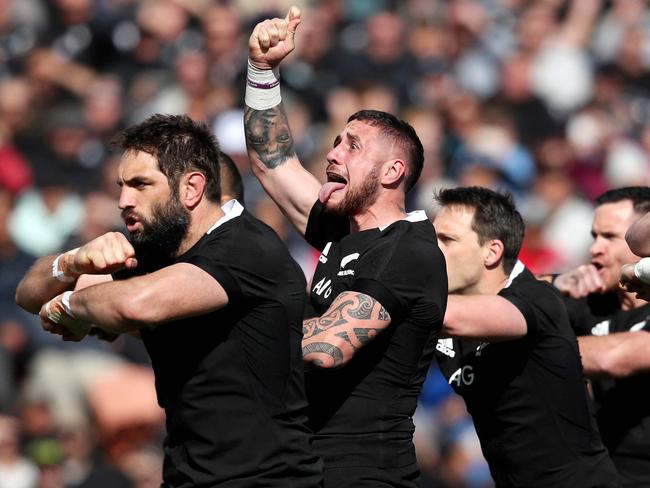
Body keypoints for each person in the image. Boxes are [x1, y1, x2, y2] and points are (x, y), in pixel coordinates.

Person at [15, 114, 323, 487]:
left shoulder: (246, 246)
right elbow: (28, 294)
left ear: (192, 188)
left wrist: (71, 307)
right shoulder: (158, 245)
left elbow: (138, 303)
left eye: (140, 184)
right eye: (121, 186)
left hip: (267, 478)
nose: (123, 200)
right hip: (188, 474)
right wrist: (71, 262)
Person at [243, 7, 447, 488]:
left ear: (392, 172)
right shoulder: (342, 231)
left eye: (352, 145)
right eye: (335, 141)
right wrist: (261, 70)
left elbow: (330, 346)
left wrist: (233, 328)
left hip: (362, 473)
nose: (333, 153)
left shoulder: (408, 249)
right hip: (301, 465)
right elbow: (272, 162)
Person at [433, 186, 619, 488]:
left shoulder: (536, 298)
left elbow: (475, 316)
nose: (432, 250)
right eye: (433, 238)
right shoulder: (448, 309)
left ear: (492, 251)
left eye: (447, 240)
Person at [551, 186, 650, 488]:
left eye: (609, 236)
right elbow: (513, 297)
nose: (596, 248)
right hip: (604, 475)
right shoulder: (594, 301)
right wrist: (557, 285)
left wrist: (530, 349)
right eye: (595, 236)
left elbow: (613, 358)